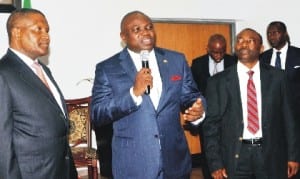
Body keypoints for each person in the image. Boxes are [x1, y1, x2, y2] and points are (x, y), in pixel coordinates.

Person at [91, 10, 206, 179]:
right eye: (136, 29)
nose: (145, 32)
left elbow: (191, 96)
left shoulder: (176, 60)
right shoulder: (108, 68)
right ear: (123, 36)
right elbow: (97, 113)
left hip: (174, 159)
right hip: (134, 163)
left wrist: (198, 111)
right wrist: (133, 94)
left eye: (149, 27)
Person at [203, 28, 299, 179]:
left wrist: (293, 156)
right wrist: (215, 163)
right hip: (235, 155)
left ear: (261, 48)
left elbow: (289, 119)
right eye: (240, 40)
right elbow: (210, 126)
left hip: (271, 154)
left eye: (250, 41)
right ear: (235, 48)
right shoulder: (218, 82)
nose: (243, 44)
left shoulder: (278, 78)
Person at [0, 8, 77, 179]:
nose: (46, 36)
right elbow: (2, 143)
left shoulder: (44, 71)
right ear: (16, 32)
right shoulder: (3, 73)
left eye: (47, 30)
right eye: (38, 29)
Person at [191, 34, 236, 179]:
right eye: (215, 52)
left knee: (230, 151)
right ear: (207, 49)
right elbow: (193, 90)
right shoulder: (198, 64)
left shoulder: (234, 62)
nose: (218, 55)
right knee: (208, 152)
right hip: (208, 117)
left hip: (230, 116)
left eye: (222, 51)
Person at [260, 23, 300, 169]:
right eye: (269, 33)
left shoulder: (298, 55)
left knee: (294, 155)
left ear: (285, 33)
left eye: (275, 33)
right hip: (270, 116)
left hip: (296, 115)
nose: (272, 36)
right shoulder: (263, 58)